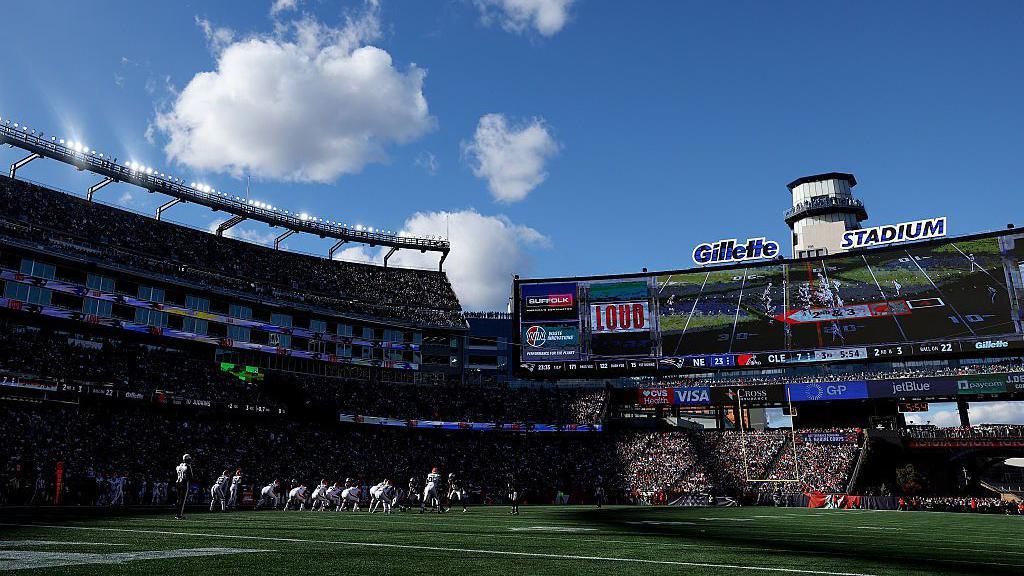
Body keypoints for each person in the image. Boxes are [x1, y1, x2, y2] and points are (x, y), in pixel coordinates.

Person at [174, 454, 192, 520]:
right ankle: (180, 515)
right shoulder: (187, 466)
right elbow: (190, 476)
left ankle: (177, 513)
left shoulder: (179, 466)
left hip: (178, 482)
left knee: (178, 499)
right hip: (184, 482)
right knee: (182, 499)